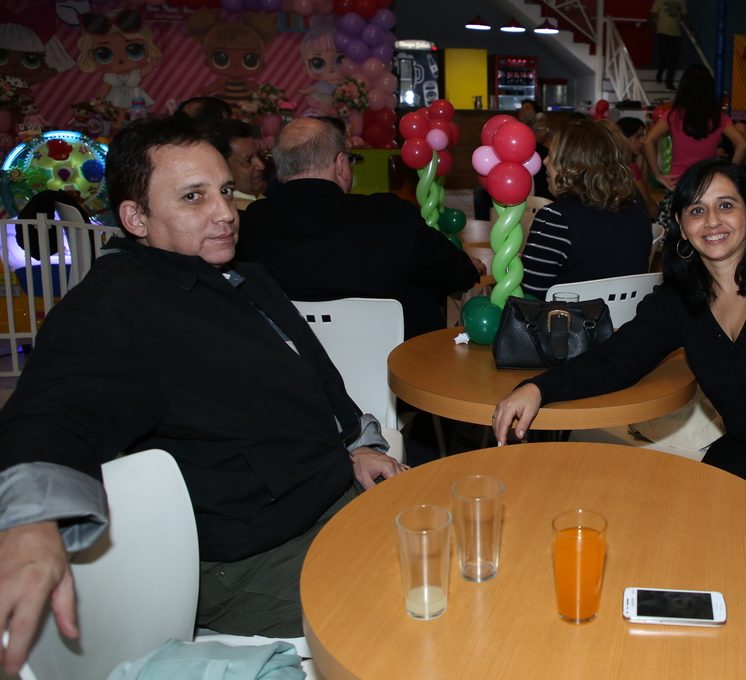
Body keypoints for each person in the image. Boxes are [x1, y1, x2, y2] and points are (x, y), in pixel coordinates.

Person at [0, 117, 406, 672]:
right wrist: (29, 523)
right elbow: (55, 406)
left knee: (463, 550)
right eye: (194, 197)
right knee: (426, 599)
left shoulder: (243, 276)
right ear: (135, 218)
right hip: (252, 558)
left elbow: (316, 381)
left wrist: (354, 446)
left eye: (225, 191)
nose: (225, 213)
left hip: (330, 499)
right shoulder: (115, 305)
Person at [495, 159, 746, 563]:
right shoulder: (681, 299)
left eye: (726, 205)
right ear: (682, 227)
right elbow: (618, 359)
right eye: (697, 210)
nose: (712, 221)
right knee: (676, 536)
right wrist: (538, 388)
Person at [237, 118, 483, 336]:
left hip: (295, 367)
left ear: (281, 170)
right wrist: (470, 267)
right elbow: (455, 275)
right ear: (341, 164)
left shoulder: (250, 223)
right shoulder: (388, 216)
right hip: (397, 365)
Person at [521, 119, 653, 300]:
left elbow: (530, 295)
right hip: (626, 318)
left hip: (568, 317)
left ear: (572, 165)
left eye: (551, 155)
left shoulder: (555, 218)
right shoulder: (637, 213)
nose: (544, 161)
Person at [644, 65, 746, 226]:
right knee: (704, 229)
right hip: (707, 184)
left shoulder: (673, 115)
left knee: (673, 232)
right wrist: (730, 172)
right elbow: (742, 144)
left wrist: (658, 175)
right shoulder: (718, 117)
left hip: (678, 184)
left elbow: (648, 141)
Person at [200, 118, 267, 208]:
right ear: (222, 169)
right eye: (248, 161)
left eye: (258, 155)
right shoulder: (233, 212)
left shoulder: (257, 201)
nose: (261, 165)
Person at [647, 0, 692, 90]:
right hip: (662, 32)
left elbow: (684, 16)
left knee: (674, 59)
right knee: (663, 55)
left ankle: (669, 82)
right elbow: (652, 15)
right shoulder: (660, 0)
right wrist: (647, 30)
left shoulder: (680, 0)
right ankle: (660, 71)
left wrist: (691, 30)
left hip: (676, 34)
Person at [617, 116, 659, 220]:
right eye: (637, 136)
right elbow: (646, 202)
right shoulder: (629, 166)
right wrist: (663, 221)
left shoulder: (623, 163)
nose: (642, 141)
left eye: (643, 136)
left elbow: (642, 187)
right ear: (624, 138)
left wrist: (645, 158)